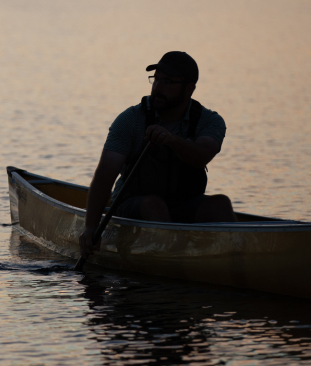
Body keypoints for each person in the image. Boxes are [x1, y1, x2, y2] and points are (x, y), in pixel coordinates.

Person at [79, 51, 235, 257]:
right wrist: (90, 228)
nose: (158, 87)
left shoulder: (209, 121)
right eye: (156, 79)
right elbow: (104, 176)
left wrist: (171, 139)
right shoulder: (130, 120)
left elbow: (202, 156)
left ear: (189, 88)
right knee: (154, 205)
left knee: (221, 205)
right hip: (130, 206)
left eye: (168, 81)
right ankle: (174, 260)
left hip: (182, 204)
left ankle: (235, 259)